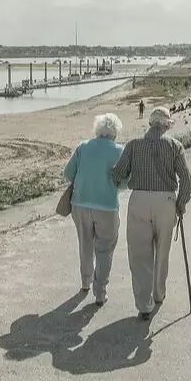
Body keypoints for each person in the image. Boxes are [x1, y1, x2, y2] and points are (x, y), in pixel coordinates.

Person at [112, 107, 191, 321]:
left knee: (139, 254)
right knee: (162, 251)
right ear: (166, 125)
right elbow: (187, 181)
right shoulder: (175, 145)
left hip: (139, 200)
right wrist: (180, 204)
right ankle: (158, 294)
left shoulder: (133, 145)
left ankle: (144, 304)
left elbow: (118, 173)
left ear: (150, 123)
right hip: (166, 201)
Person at [63, 113, 126, 306]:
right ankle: (100, 292)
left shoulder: (83, 146)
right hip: (107, 206)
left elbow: (68, 173)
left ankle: (85, 281)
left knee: (85, 244)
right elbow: (125, 182)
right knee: (105, 249)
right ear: (115, 132)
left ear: (97, 129)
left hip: (80, 204)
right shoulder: (119, 151)